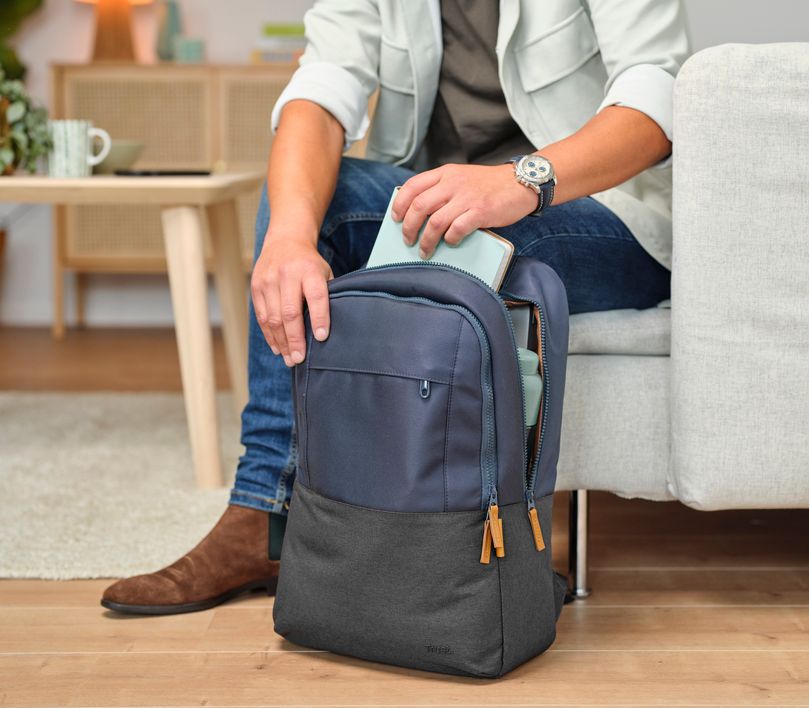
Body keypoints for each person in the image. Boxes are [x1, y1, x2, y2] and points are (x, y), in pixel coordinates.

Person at [101, 0, 690, 614]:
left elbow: (654, 97)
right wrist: (289, 238)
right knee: (303, 201)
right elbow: (323, 87)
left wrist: (520, 180)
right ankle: (264, 516)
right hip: (446, 207)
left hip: (605, 214)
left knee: (479, 237)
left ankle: (450, 534)